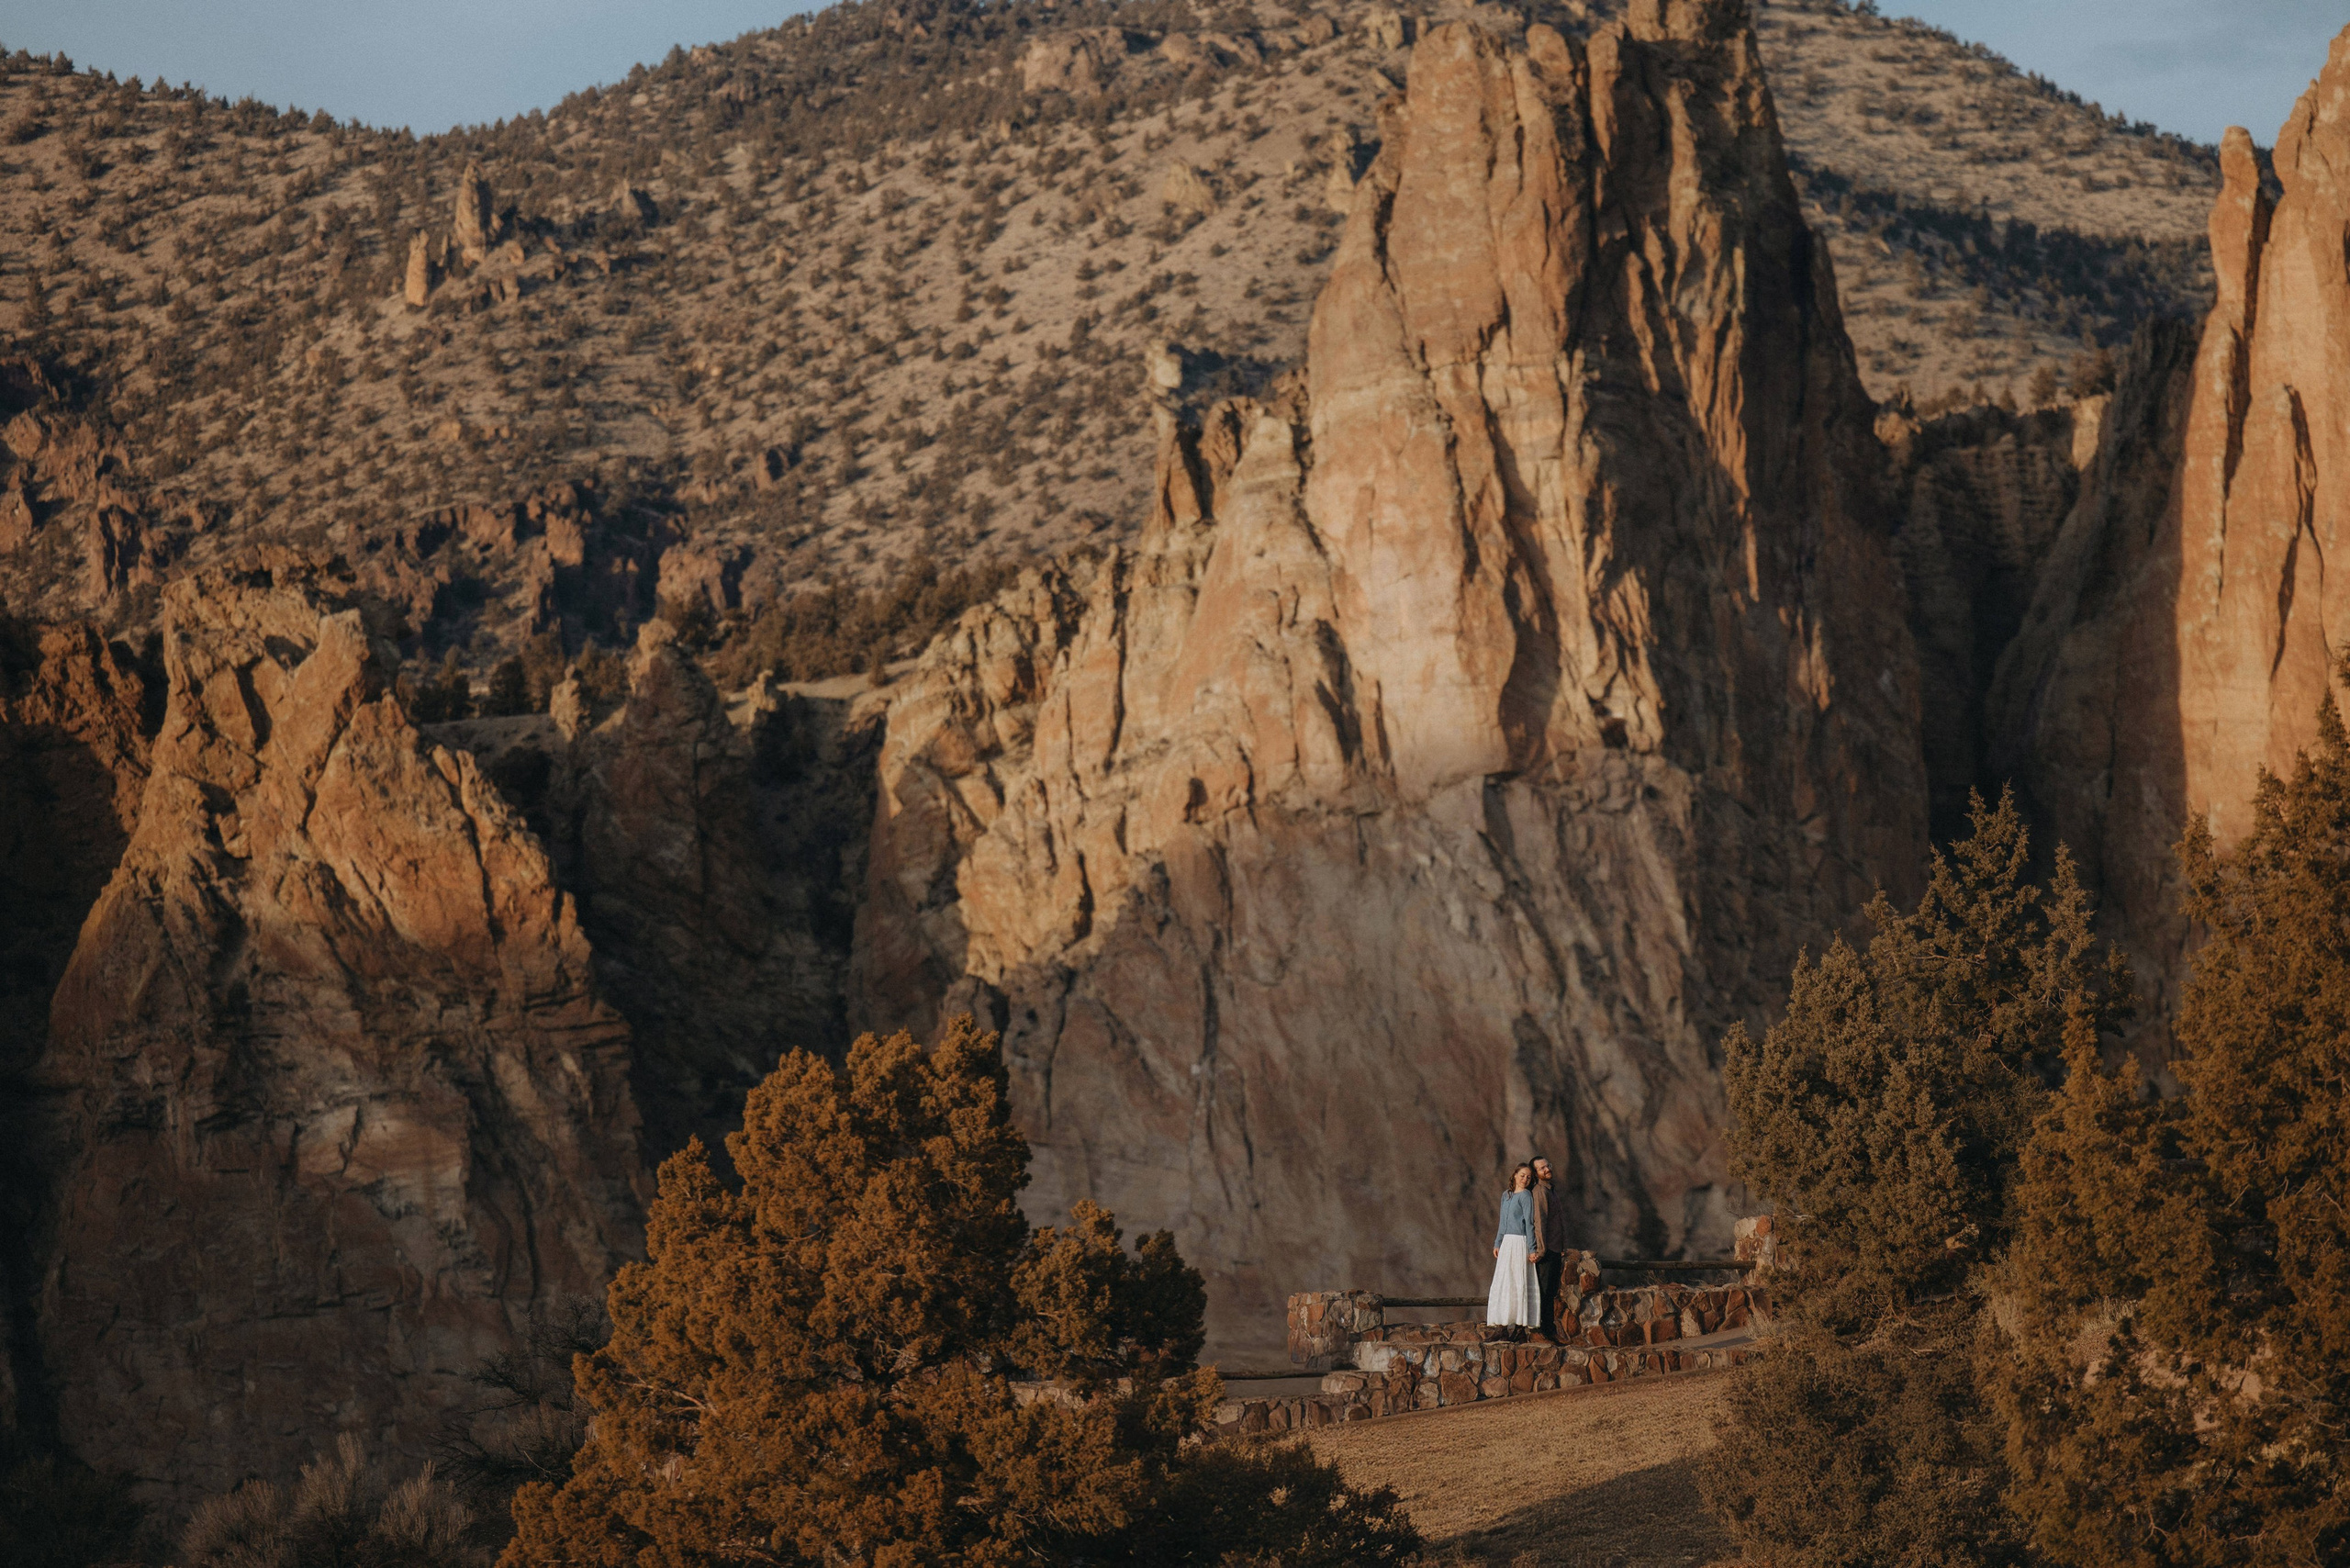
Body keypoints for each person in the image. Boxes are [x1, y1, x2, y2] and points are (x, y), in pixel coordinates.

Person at [1486, 1161, 1541, 1328]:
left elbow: (1529, 1223)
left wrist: (1532, 1249)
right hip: (1507, 1243)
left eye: (1529, 1177)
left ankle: (1519, 1325)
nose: (1525, 1179)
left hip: (1519, 1242)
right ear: (1515, 1175)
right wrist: (1498, 1242)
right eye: (1522, 1175)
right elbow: (1502, 1222)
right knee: (1504, 1280)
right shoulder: (1507, 1195)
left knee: (1518, 1281)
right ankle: (1502, 1323)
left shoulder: (1526, 1196)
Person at [1530, 1154, 1562, 1342]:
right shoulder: (1540, 1192)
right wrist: (1542, 1250)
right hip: (1547, 1250)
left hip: (1555, 1248)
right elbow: (1539, 1222)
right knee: (1544, 1292)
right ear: (1536, 1173)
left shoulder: (1551, 1190)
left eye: (1547, 1166)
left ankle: (1549, 1331)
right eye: (1542, 1168)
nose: (1547, 1169)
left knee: (1550, 1292)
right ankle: (1544, 1332)